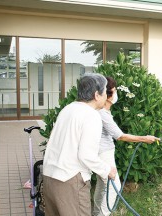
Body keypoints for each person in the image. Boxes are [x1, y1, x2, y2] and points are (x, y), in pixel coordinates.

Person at [43, 73, 117, 216]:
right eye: (104, 91)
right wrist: (107, 170)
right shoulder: (91, 115)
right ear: (97, 95)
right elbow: (86, 155)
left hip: (50, 177)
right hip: (70, 180)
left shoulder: (68, 109)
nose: (107, 95)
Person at [92, 77, 160, 216]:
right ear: (107, 95)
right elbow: (120, 136)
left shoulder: (103, 112)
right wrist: (144, 138)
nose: (117, 94)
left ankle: (96, 213)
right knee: (113, 184)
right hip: (103, 154)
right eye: (115, 91)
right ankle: (103, 214)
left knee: (102, 184)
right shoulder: (102, 113)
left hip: (103, 152)